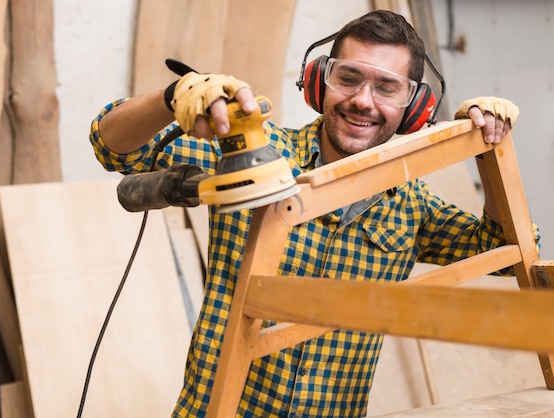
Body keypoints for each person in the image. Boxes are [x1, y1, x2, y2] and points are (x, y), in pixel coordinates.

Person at [90, 9, 538, 417]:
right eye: (349, 78)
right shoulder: (253, 155)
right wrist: (172, 97)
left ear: (414, 108)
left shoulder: (412, 208)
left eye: (386, 87)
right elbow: (111, 147)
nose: (363, 100)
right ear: (318, 81)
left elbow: (506, 244)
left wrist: (486, 146)